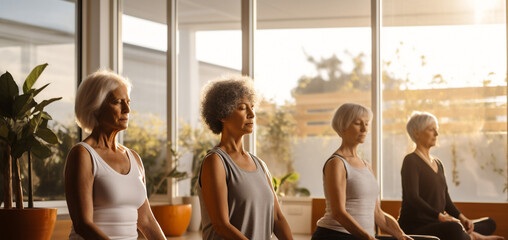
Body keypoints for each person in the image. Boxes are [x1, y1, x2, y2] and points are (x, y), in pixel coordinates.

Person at [64, 70, 166, 240]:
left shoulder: (134, 158)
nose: (127, 109)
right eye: (118, 102)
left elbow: (146, 221)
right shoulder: (83, 154)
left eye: (128, 102)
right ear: (95, 107)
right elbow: (83, 224)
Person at [197, 75, 293, 240]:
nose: (251, 114)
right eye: (242, 107)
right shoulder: (215, 162)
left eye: (252, 107)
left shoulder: (260, 165)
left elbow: (277, 218)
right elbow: (221, 225)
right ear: (222, 114)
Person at [313, 103, 425, 240]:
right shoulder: (336, 163)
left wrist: (400, 235)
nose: (364, 128)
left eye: (366, 123)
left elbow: (378, 213)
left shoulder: (366, 166)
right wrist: (368, 238)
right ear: (343, 126)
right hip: (335, 235)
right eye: (358, 123)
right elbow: (338, 213)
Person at [399, 111, 504, 240]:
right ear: (416, 133)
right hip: (417, 226)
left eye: (436, 130)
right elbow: (412, 197)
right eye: (431, 130)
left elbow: (446, 200)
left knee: (489, 223)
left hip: (438, 223)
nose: (436, 134)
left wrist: (463, 218)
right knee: (454, 228)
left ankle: (469, 233)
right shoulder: (411, 161)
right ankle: (475, 237)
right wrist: (440, 216)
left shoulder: (438, 163)